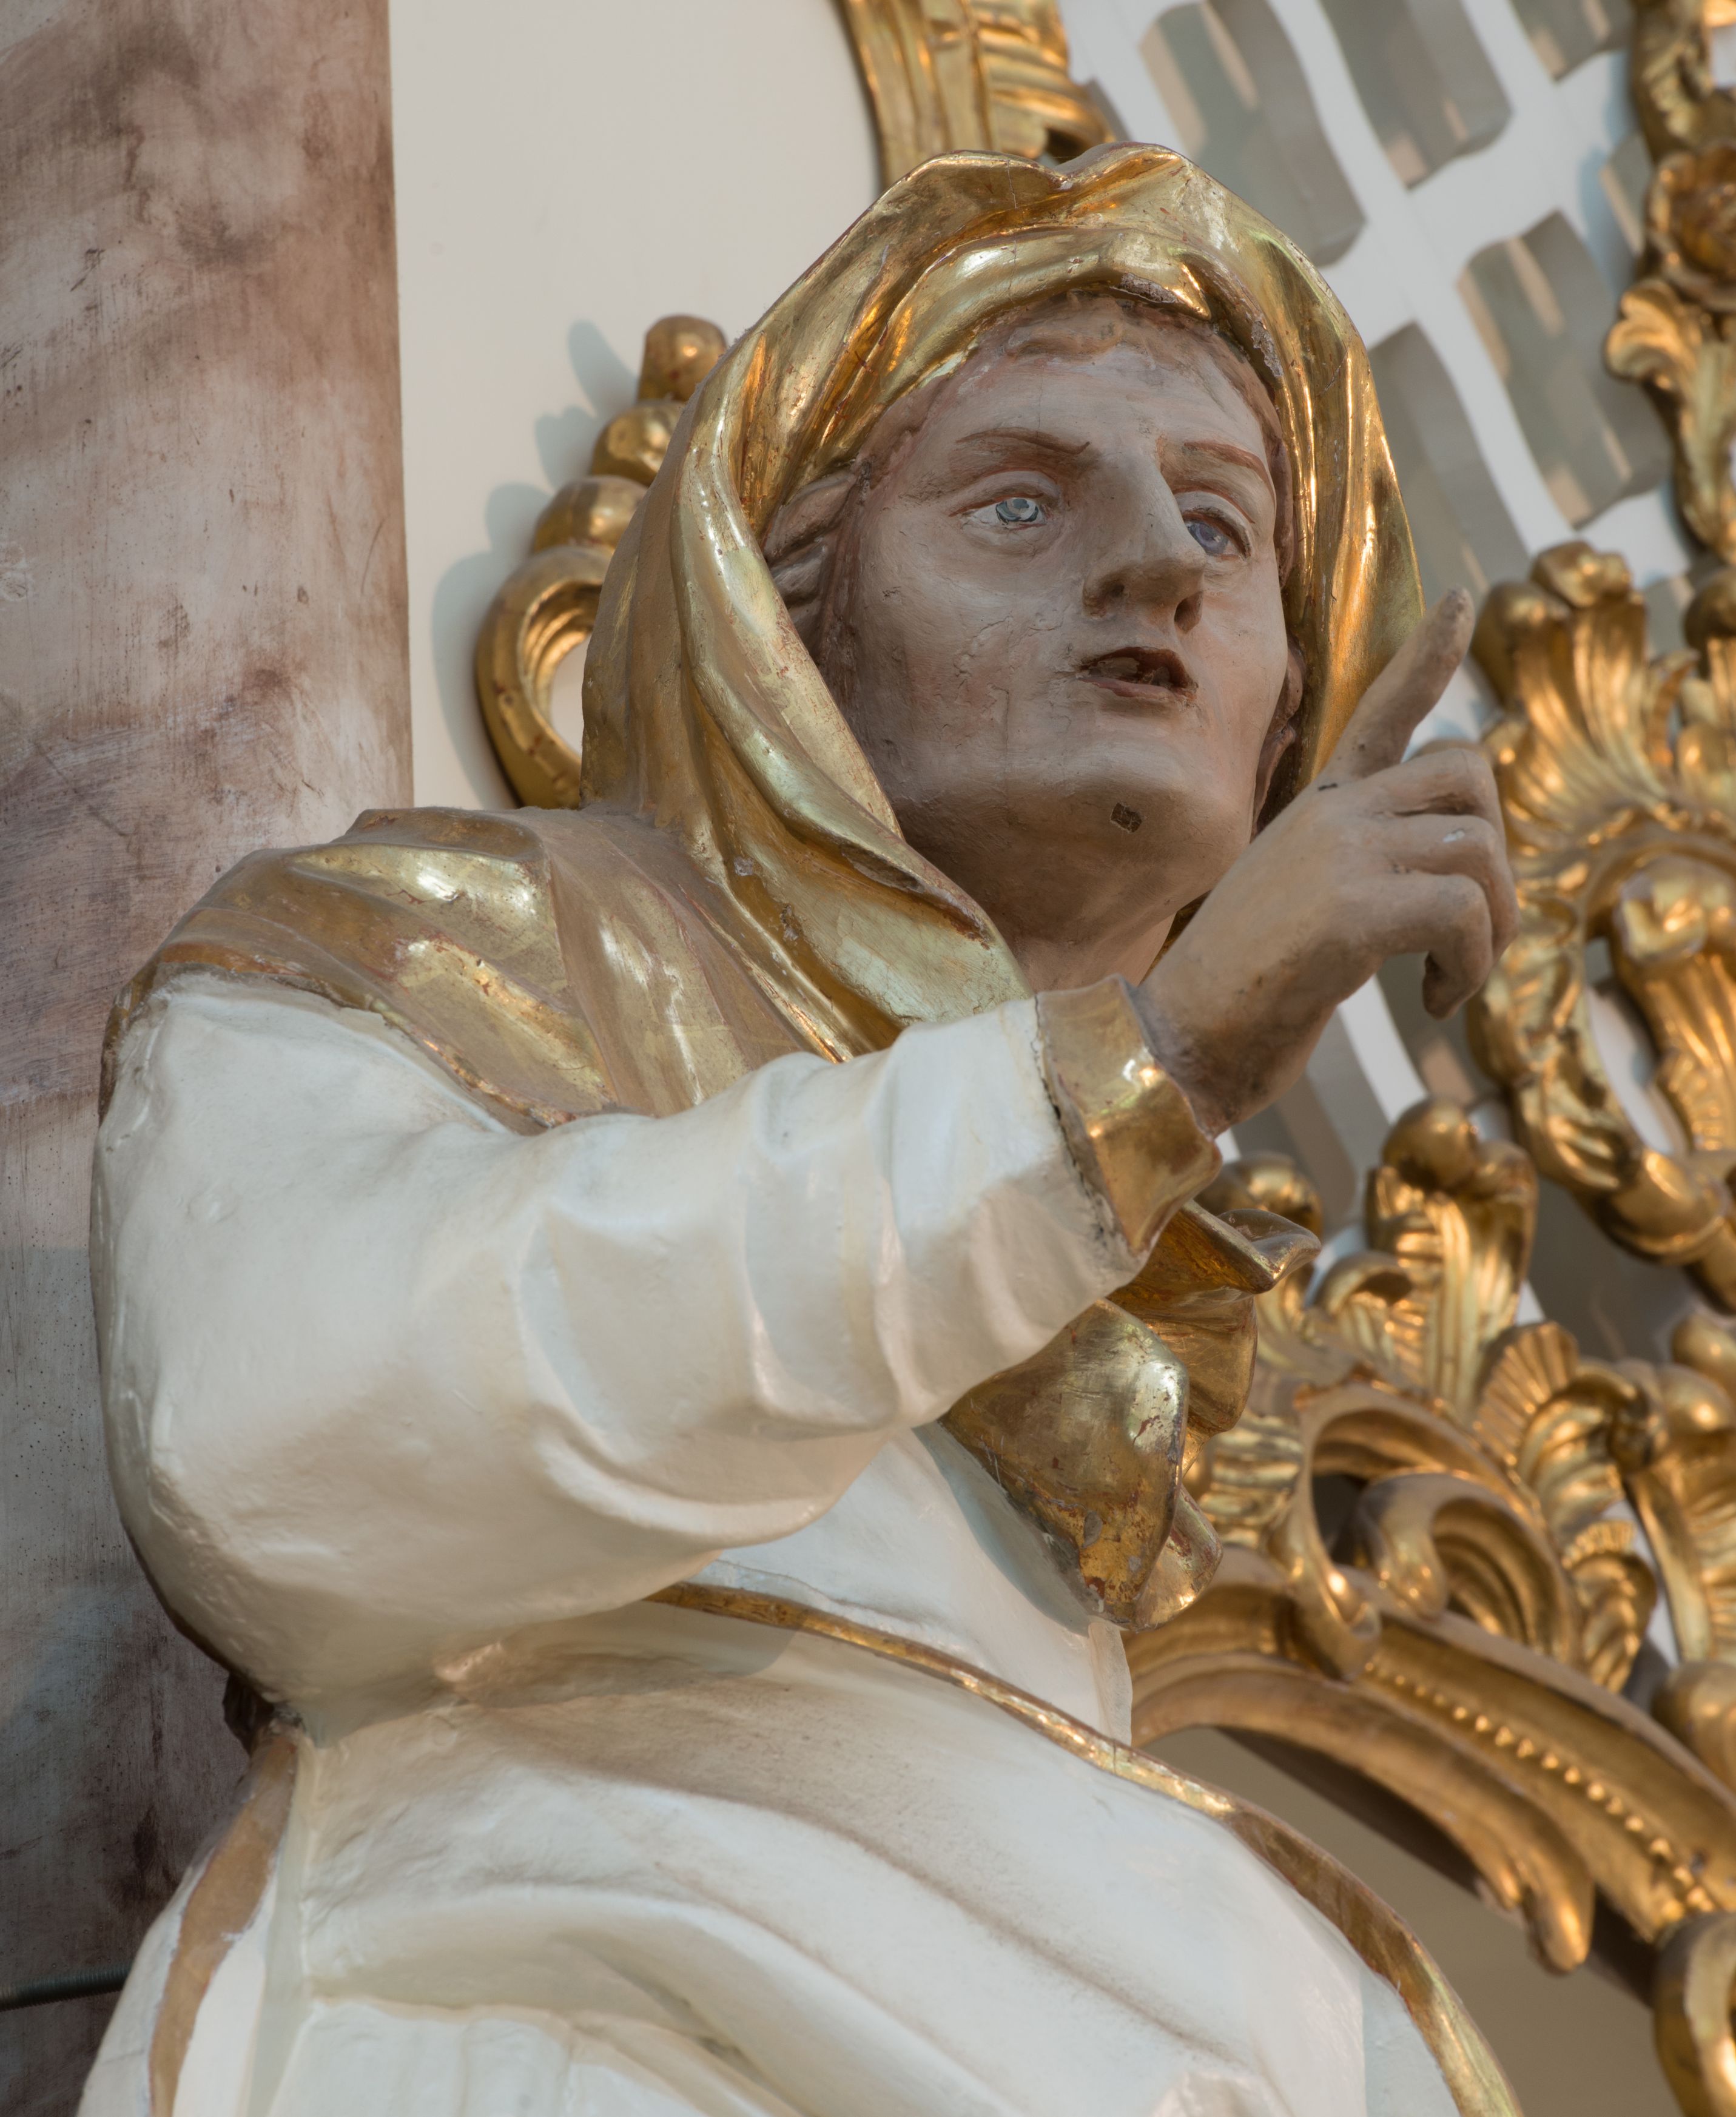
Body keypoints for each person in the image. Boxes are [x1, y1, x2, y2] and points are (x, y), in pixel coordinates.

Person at [82, 144, 1518, 2116]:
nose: (1159, 569)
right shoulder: (424, 952)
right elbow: (283, 1442)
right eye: (1021, 501)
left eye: (1224, 523)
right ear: (788, 619)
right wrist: (1134, 1078)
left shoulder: (1119, 1308)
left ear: (1289, 723)